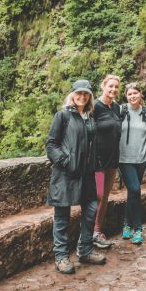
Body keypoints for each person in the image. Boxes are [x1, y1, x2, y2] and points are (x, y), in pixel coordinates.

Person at [45, 79, 107, 273]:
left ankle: (85, 250)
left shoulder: (89, 117)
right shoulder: (62, 116)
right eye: (78, 93)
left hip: (87, 174)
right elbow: (51, 144)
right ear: (72, 95)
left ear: (89, 96)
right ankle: (61, 257)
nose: (82, 96)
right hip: (66, 174)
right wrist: (65, 161)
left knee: (90, 211)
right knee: (62, 216)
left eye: (86, 94)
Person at [119, 83, 146, 245]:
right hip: (124, 159)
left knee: (132, 193)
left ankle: (126, 224)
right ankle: (138, 229)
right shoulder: (121, 111)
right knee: (135, 189)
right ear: (126, 96)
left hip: (140, 159)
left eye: (135, 93)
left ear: (141, 94)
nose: (133, 96)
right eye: (129, 94)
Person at [91, 74, 123, 249]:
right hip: (97, 160)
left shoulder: (116, 108)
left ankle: (97, 231)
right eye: (110, 86)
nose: (113, 89)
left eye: (116, 87)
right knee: (98, 196)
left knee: (105, 197)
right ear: (103, 86)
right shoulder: (95, 107)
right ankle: (90, 232)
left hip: (112, 160)